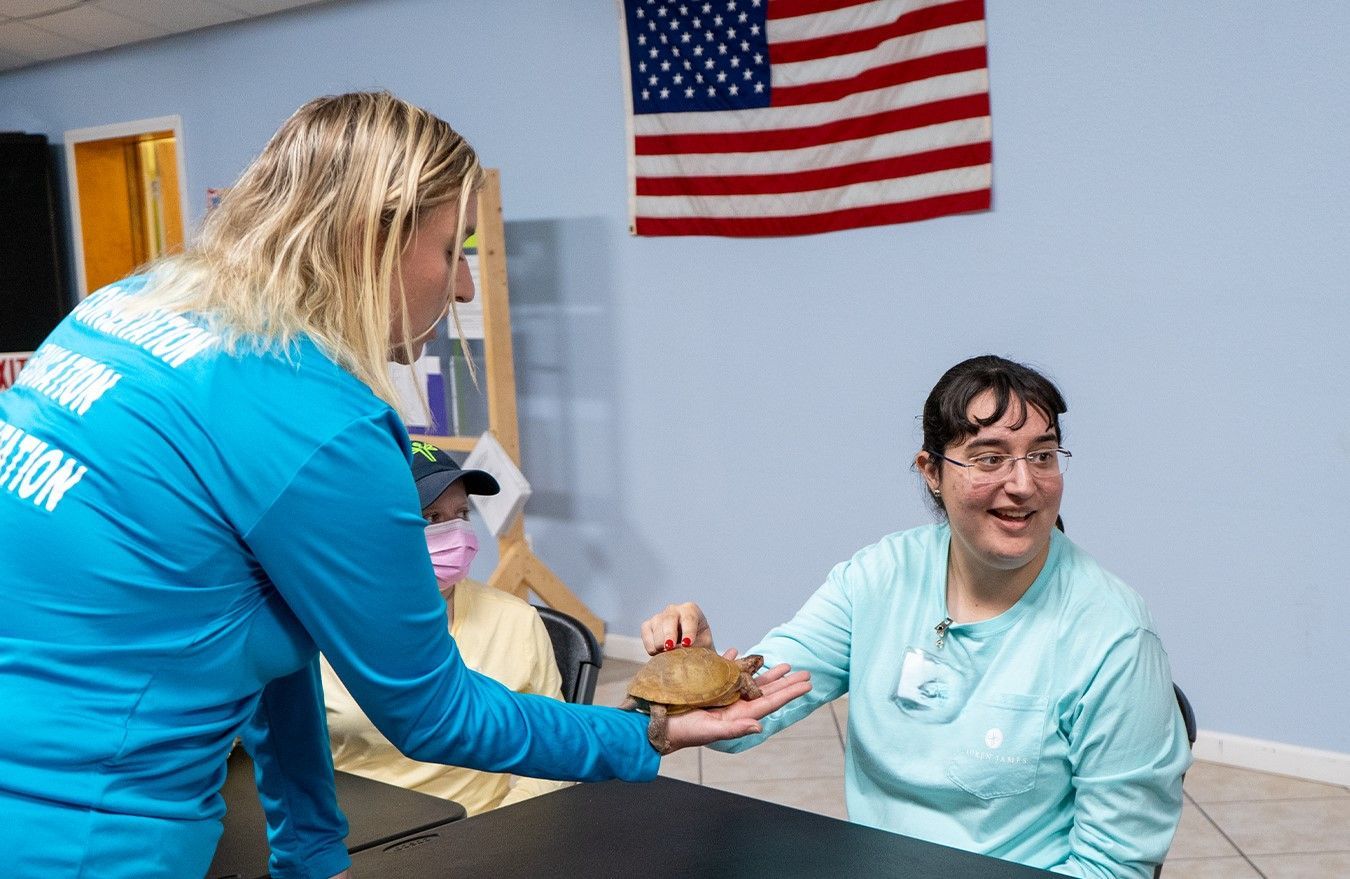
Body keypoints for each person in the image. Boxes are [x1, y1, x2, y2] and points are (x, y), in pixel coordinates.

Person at [0, 91, 810, 879]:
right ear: (372, 236)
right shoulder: (319, 419)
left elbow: (269, 632)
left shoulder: (117, 311)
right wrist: (648, 736)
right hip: (81, 828)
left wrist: (311, 851)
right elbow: (434, 711)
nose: (462, 287)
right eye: (453, 247)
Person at [641, 355, 1191, 879]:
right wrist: (701, 675)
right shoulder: (880, 577)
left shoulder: (1113, 636)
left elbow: (1113, 866)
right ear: (931, 470)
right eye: (990, 457)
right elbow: (741, 722)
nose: (1024, 484)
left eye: (1042, 455)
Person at [321, 440, 571, 815]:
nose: (455, 532)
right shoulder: (324, 627)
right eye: (431, 518)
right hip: (358, 840)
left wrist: (500, 829)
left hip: (482, 835)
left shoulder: (516, 622)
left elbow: (555, 752)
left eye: (462, 513)